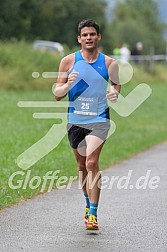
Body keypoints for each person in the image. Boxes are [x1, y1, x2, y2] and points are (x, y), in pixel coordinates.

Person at [54, 19, 120, 230]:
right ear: (79, 38)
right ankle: (86, 201)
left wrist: (114, 92)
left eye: (92, 34)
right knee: (82, 166)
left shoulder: (109, 63)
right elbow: (57, 94)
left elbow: (117, 84)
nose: (89, 38)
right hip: (75, 120)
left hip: (99, 119)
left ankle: (93, 213)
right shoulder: (67, 61)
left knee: (92, 163)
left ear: (98, 37)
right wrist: (67, 85)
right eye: (85, 35)